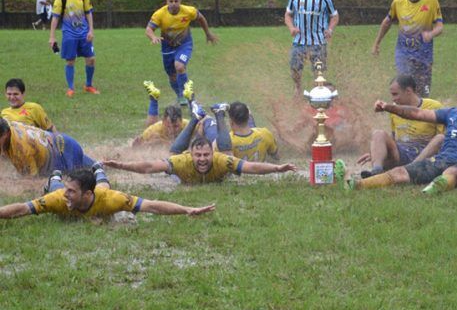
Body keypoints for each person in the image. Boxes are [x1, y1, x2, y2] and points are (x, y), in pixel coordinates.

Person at [334, 81, 457, 195]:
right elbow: (417, 114)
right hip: (439, 161)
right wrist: (389, 107)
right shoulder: (452, 113)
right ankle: (358, 185)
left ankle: (435, 188)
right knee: (400, 173)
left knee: (453, 172)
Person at [0, 167, 215, 221]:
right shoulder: (59, 198)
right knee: (55, 189)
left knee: (105, 186)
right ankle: (55, 176)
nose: (68, 195)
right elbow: (22, 208)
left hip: (100, 193)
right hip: (58, 193)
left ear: (86, 194)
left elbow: (152, 205)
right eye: (69, 190)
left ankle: (99, 170)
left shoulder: (112, 199)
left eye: (73, 191)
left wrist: (188, 209)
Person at [103, 135, 296, 185]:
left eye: (206, 155)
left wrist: (277, 168)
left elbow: (251, 167)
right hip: (180, 177)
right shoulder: (181, 161)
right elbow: (149, 167)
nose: (202, 159)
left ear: (213, 154)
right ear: (191, 155)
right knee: (172, 157)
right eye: (198, 155)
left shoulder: (222, 160)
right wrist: (120, 165)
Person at [372, 0, 443, 97]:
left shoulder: (432, 1)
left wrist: (430, 34)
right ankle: (403, 112)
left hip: (424, 53)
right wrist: (377, 43)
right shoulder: (398, 2)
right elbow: (387, 22)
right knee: (404, 85)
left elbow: (439, 26)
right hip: (403, 52)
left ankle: (421, 112)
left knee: (423, 92)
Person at [357, 75, 443, 178]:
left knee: (441, 138)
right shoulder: (394, 110)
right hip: (402, 154)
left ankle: (411, 170)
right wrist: (377, 153)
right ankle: (376, 172)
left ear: (408, 91)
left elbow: (443, 139)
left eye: (395, 94)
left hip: (425, 155)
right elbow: (394, 140)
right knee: (378, 134)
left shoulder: (434, 107)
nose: (393, 99)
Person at [146, 0, 218, 105]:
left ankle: (186, 94)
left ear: (180, 1)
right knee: (172, 75)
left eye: (176, 1)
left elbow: (201, 18)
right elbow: (149, 29)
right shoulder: (159, 14)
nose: (173, 4)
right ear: (166, 2)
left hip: (184, 44)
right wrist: (153, 37)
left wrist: (208, 33)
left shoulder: (189, 11)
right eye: (171, 1)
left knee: (179, 66)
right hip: (167, 47)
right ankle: (180, 95)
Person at [284, 0, 339, 97]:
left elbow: (335, 16)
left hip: (318, 41)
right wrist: (291, 28)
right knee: (295, 68)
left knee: (319, 70)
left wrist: (330, 29)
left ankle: (318, 93)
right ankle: (297, 88)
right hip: (299, 41)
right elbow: (288, 15)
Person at [0, 117, 108, 181]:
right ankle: (108, 163)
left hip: (63, 154)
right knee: (98, 166)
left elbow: (32, 182)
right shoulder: (5, 123)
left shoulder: (22, 150)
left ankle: (109, 166)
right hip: (61, 142)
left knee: (78, 181)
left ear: (6, 133)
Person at [49, 0, 99, 97]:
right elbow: (55, 18)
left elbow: (88, 13)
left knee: (91, 59)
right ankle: (71, 88)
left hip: (84, 33)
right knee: (70, 61)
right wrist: (52, 36)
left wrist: (91, 30)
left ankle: (88, 85)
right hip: (69, 34)